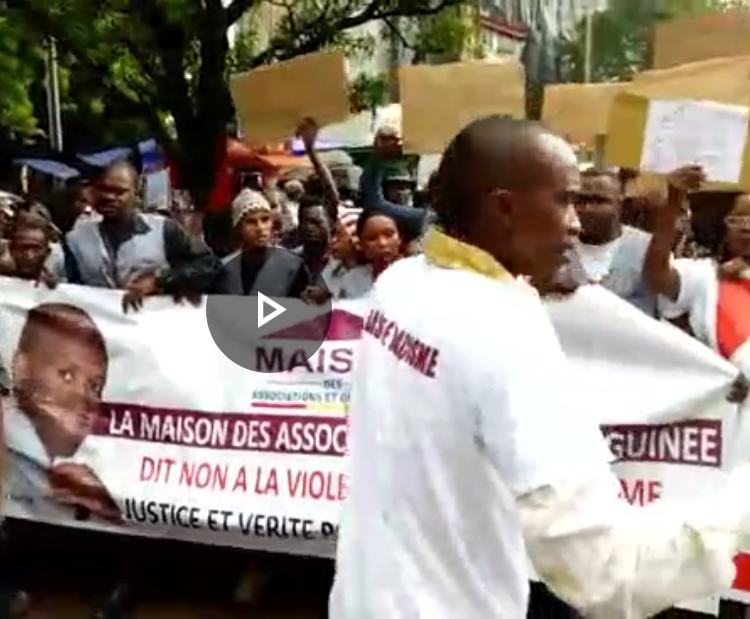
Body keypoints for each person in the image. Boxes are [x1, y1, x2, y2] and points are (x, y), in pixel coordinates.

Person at [330, 116, 750, 618]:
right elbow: (606, 572)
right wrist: (737, 507)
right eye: (566, 199)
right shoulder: (504, 327)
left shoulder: (399, 283)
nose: (576, 224)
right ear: (506, 207)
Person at [4, 302, 120, 524]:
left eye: (95, 386)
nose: (85, 397)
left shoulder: (64, 482)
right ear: (21, 367)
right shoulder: (15, 471)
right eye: (66, 375)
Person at [62, 160, 221, 312]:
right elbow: (66, 287)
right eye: (104, 189)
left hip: (151, 330)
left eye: (119, 192)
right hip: (101, 332)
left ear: (135, 192)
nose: (109, 197)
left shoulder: (163, 229)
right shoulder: (76, 239)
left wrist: (159, 281)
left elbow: (209, 266)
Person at [644, 181, 750, 376]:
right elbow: (657, 276)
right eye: (737, 220)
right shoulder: (703, 273)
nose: (746, 227)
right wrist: (673, 203)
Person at [559, 167, 660, 316]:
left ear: (620, 203)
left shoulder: (649, 249)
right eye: (580, 201)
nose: (588, 208)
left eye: (599, 200)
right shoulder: (557, 247)